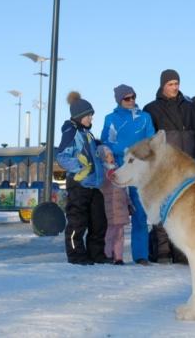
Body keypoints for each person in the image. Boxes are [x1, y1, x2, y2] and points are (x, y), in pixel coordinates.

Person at [143, 69, 195, 264]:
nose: (174, 87)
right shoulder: (151, 108)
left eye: (176, 83)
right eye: (170, 84)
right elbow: (148, 139)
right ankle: (162, 251)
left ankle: (181, 252)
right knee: (163, 207)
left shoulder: (189, 108)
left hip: (187, 166)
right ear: (163, 85)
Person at [100, 84, 156, 265]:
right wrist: (121, 154)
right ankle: (112, 254)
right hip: (118, 171)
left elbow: (152, 141)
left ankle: (141, 255)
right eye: (127, 98)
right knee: (114, 216)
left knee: (140, 213)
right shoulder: (111, 118)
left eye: (133, 97)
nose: (131, 101)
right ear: (119, 100)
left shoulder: (145, 118)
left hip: (139, 172)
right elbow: (105, 143)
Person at [57, 92, 108, 265]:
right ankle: (76, 255)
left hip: (93, 184)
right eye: (88, 115)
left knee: (99, 221)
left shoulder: (88, 134)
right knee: (77, 221)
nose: (91, 118)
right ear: (79, 116)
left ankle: (96, 254)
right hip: (78, 183)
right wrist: (81, 168)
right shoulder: (71, 132)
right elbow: (62, 156)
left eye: (91, 115)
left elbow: (94, 154)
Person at [98, 145, 129, 265]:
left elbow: (124, 188)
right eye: (107, 156)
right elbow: (102, 186)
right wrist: (107, 176)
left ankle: (119, 257)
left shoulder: (118, 170)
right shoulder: (102, 171)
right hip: (109, 209)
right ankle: (108, 255)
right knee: (109, 234)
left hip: (120, 208)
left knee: (120, 234)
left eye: (111, 155)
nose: (111, 157)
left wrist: (129, 204)